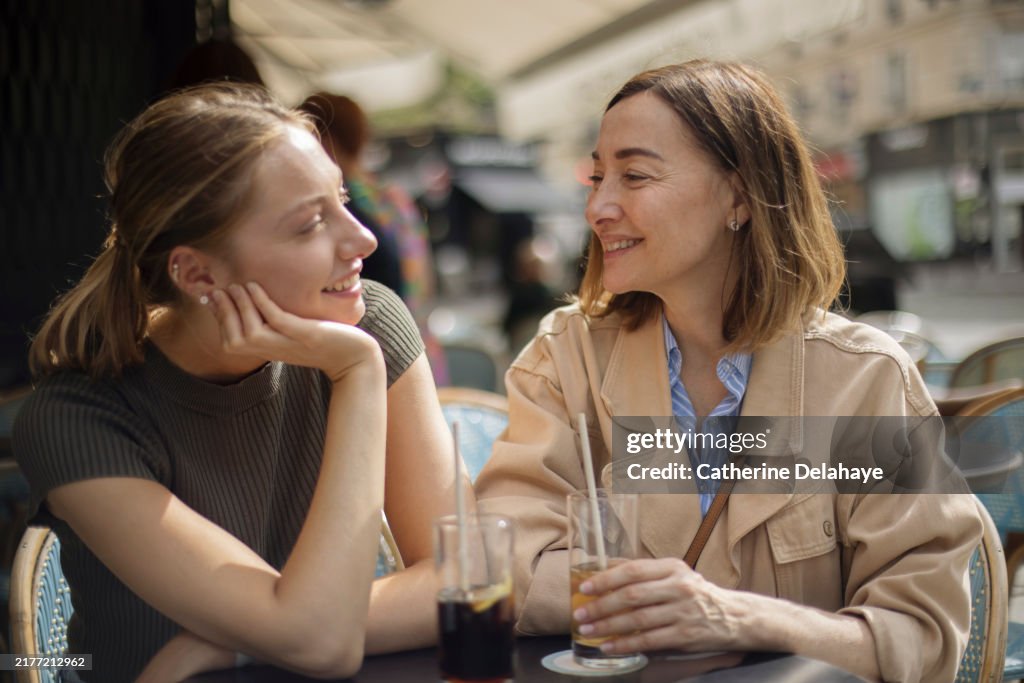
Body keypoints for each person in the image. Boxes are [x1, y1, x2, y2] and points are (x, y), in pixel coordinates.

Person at [474, 60, 982, 682]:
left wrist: (740, 617)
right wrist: (678, 609)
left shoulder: (863, 379)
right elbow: (509, 570)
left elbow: (925, 637)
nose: (598, 206)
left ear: (739, 195)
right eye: (598, 176)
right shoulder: (564, 359)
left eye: (633, 175)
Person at [13, 83, 459, 683]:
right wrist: (356, 372)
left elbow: (465, 575)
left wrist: (234, 647)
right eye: (309, 225)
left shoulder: (364, 321)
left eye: (343, 199)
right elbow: (319, 640)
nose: (363, 240)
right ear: (198, 272)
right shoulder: (79, 419)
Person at [299, 91, 449, 385]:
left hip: (378, 355)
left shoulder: (338, 202)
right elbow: (425, 280)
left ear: (322, 137)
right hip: (417, 343)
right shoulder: (392, 197)